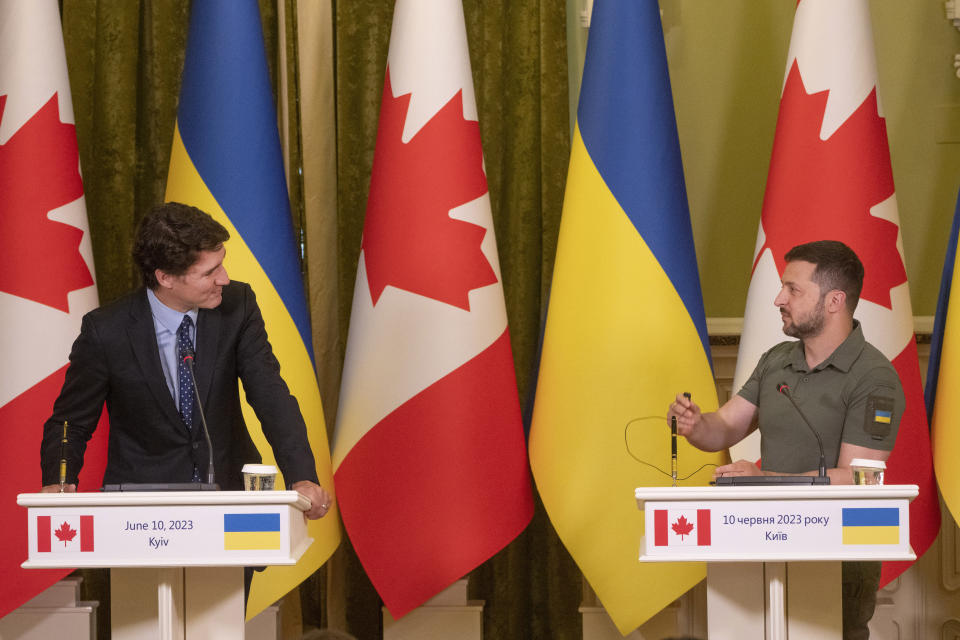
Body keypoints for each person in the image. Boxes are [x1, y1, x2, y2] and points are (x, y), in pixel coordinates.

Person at [668, 240, 903, 640]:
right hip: (762, 544)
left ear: (834, 301)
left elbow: (861, 478)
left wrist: (760, 479)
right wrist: (694, 425)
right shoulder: (776, 359)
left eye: (793, 289)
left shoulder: (874, 377)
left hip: (837, 553)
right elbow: (724, 427)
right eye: (782, 287)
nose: (779, 298)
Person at [39, 202, 331, 520]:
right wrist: (60, 481)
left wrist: (302, 477)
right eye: (209, 272)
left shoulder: (238, 306)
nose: (224, 278)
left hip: (229, 502)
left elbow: (270, 395)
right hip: (139, 515)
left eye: (221, 264)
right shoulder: (107, 330)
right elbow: (71, 422)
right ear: (165, 277)